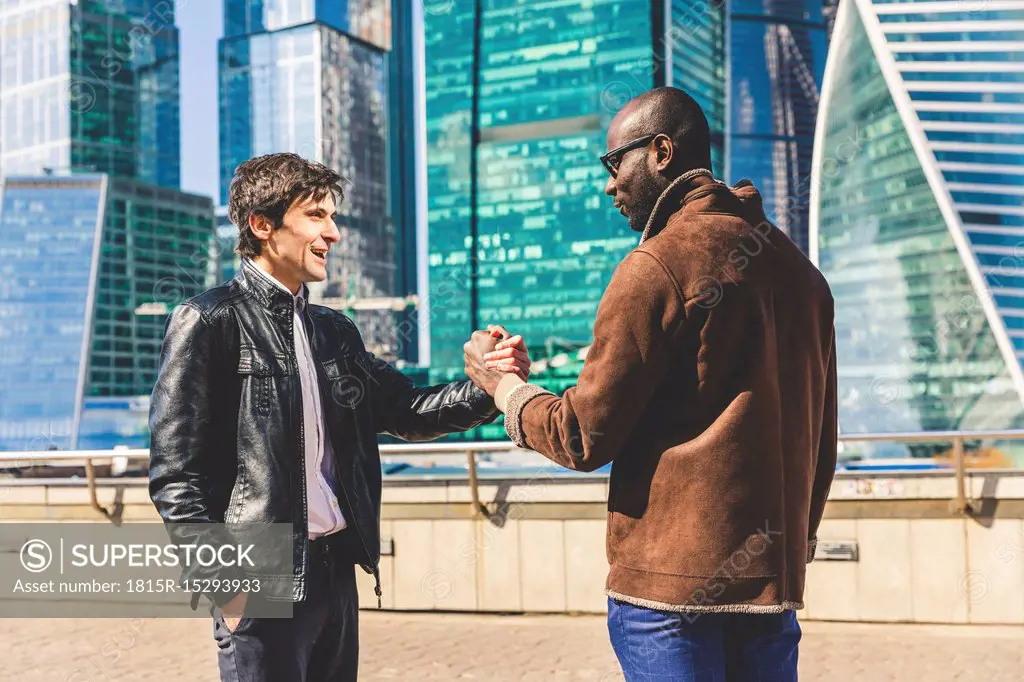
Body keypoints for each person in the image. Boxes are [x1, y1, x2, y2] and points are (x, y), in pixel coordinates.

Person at [464, 87, 837, 681]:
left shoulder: (657, 266)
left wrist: (502, 385)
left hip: (670, 597)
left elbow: (582, 436)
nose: (609, 185)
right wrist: (794, 551)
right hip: (773, 590)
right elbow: (822, 442)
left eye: (614, 164)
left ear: (661, 151)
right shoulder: (804, 279)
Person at [149, 153, 530, 682]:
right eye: (316, 216)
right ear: (262, 225)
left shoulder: (335, 331)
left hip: (335, 571)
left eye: (333, 217)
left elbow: (408, 410)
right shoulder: (209, 321)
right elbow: (175, 475)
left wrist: (490, 387)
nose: (333, 232)